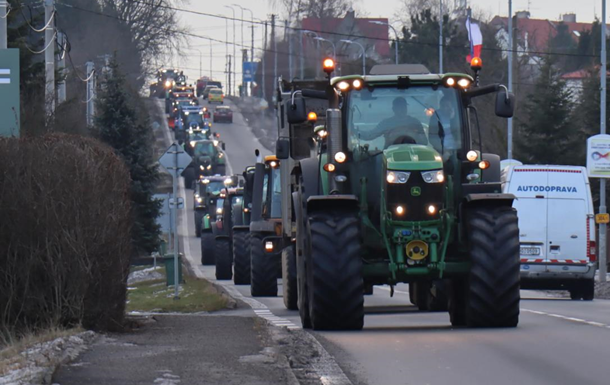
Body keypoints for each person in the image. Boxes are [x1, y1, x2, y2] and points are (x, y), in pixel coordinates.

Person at [359, 97, 427, 147]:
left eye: (403, 107)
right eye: (399, 107)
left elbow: (424, 142)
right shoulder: (386, 123)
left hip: (414, 155)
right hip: (389, 157)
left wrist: (413, 135)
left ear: (406, 108)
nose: (402, 109)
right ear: (394, 109)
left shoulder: (415, 122)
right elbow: (370, 135)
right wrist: (355, 132)